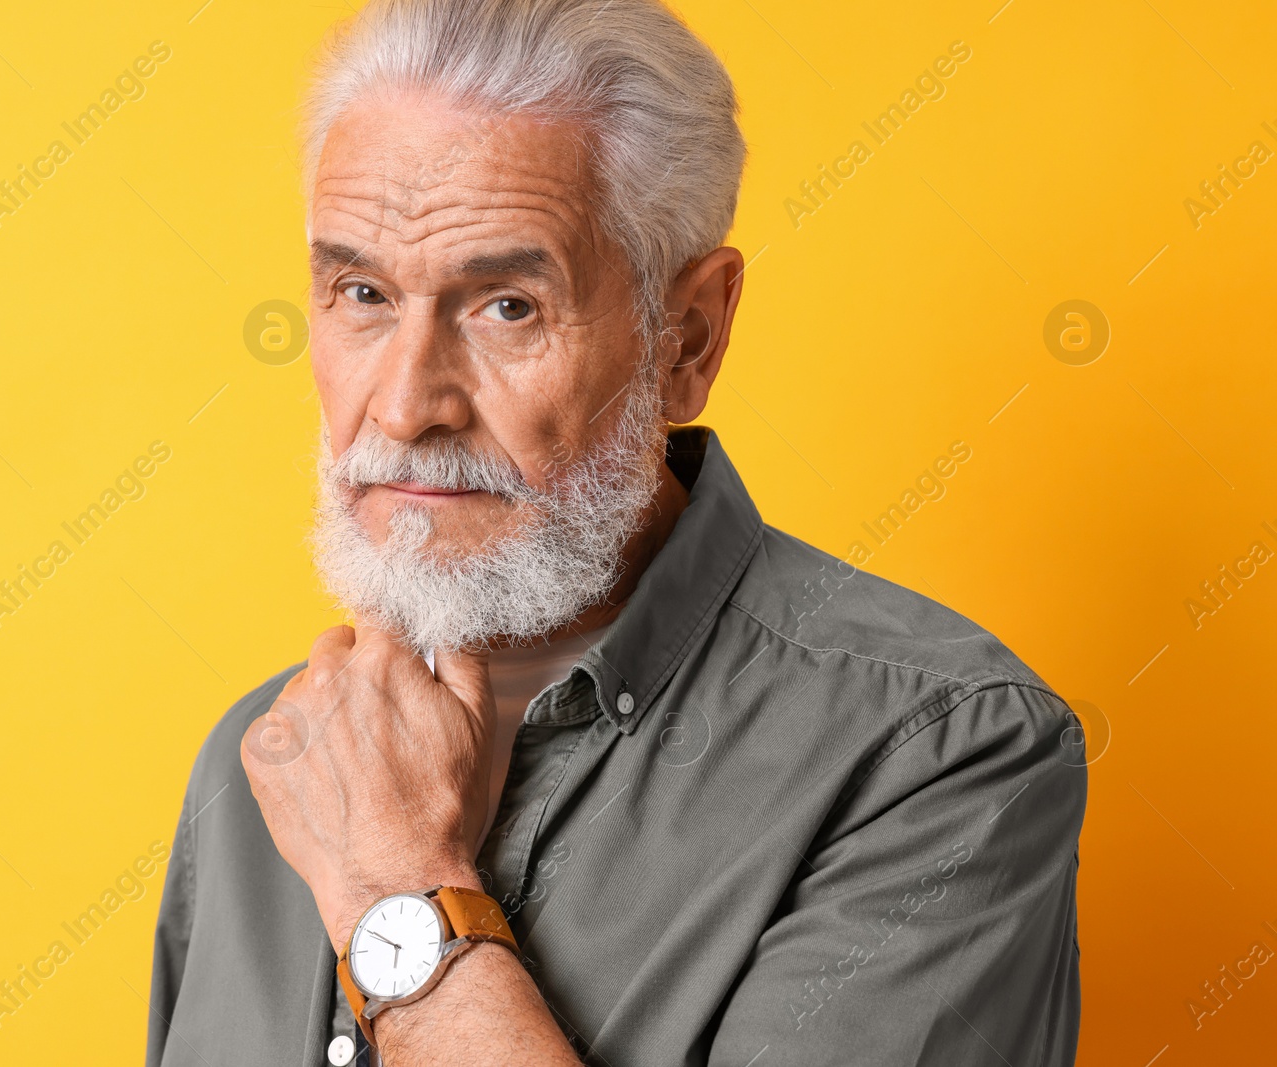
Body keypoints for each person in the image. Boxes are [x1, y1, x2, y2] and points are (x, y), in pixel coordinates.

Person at [147, 1, 1086, 1063]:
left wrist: (395, 885)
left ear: (686, 336)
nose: (406, 404)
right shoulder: (263, 759)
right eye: (360, 291)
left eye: (507, 305)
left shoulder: (937, 755)